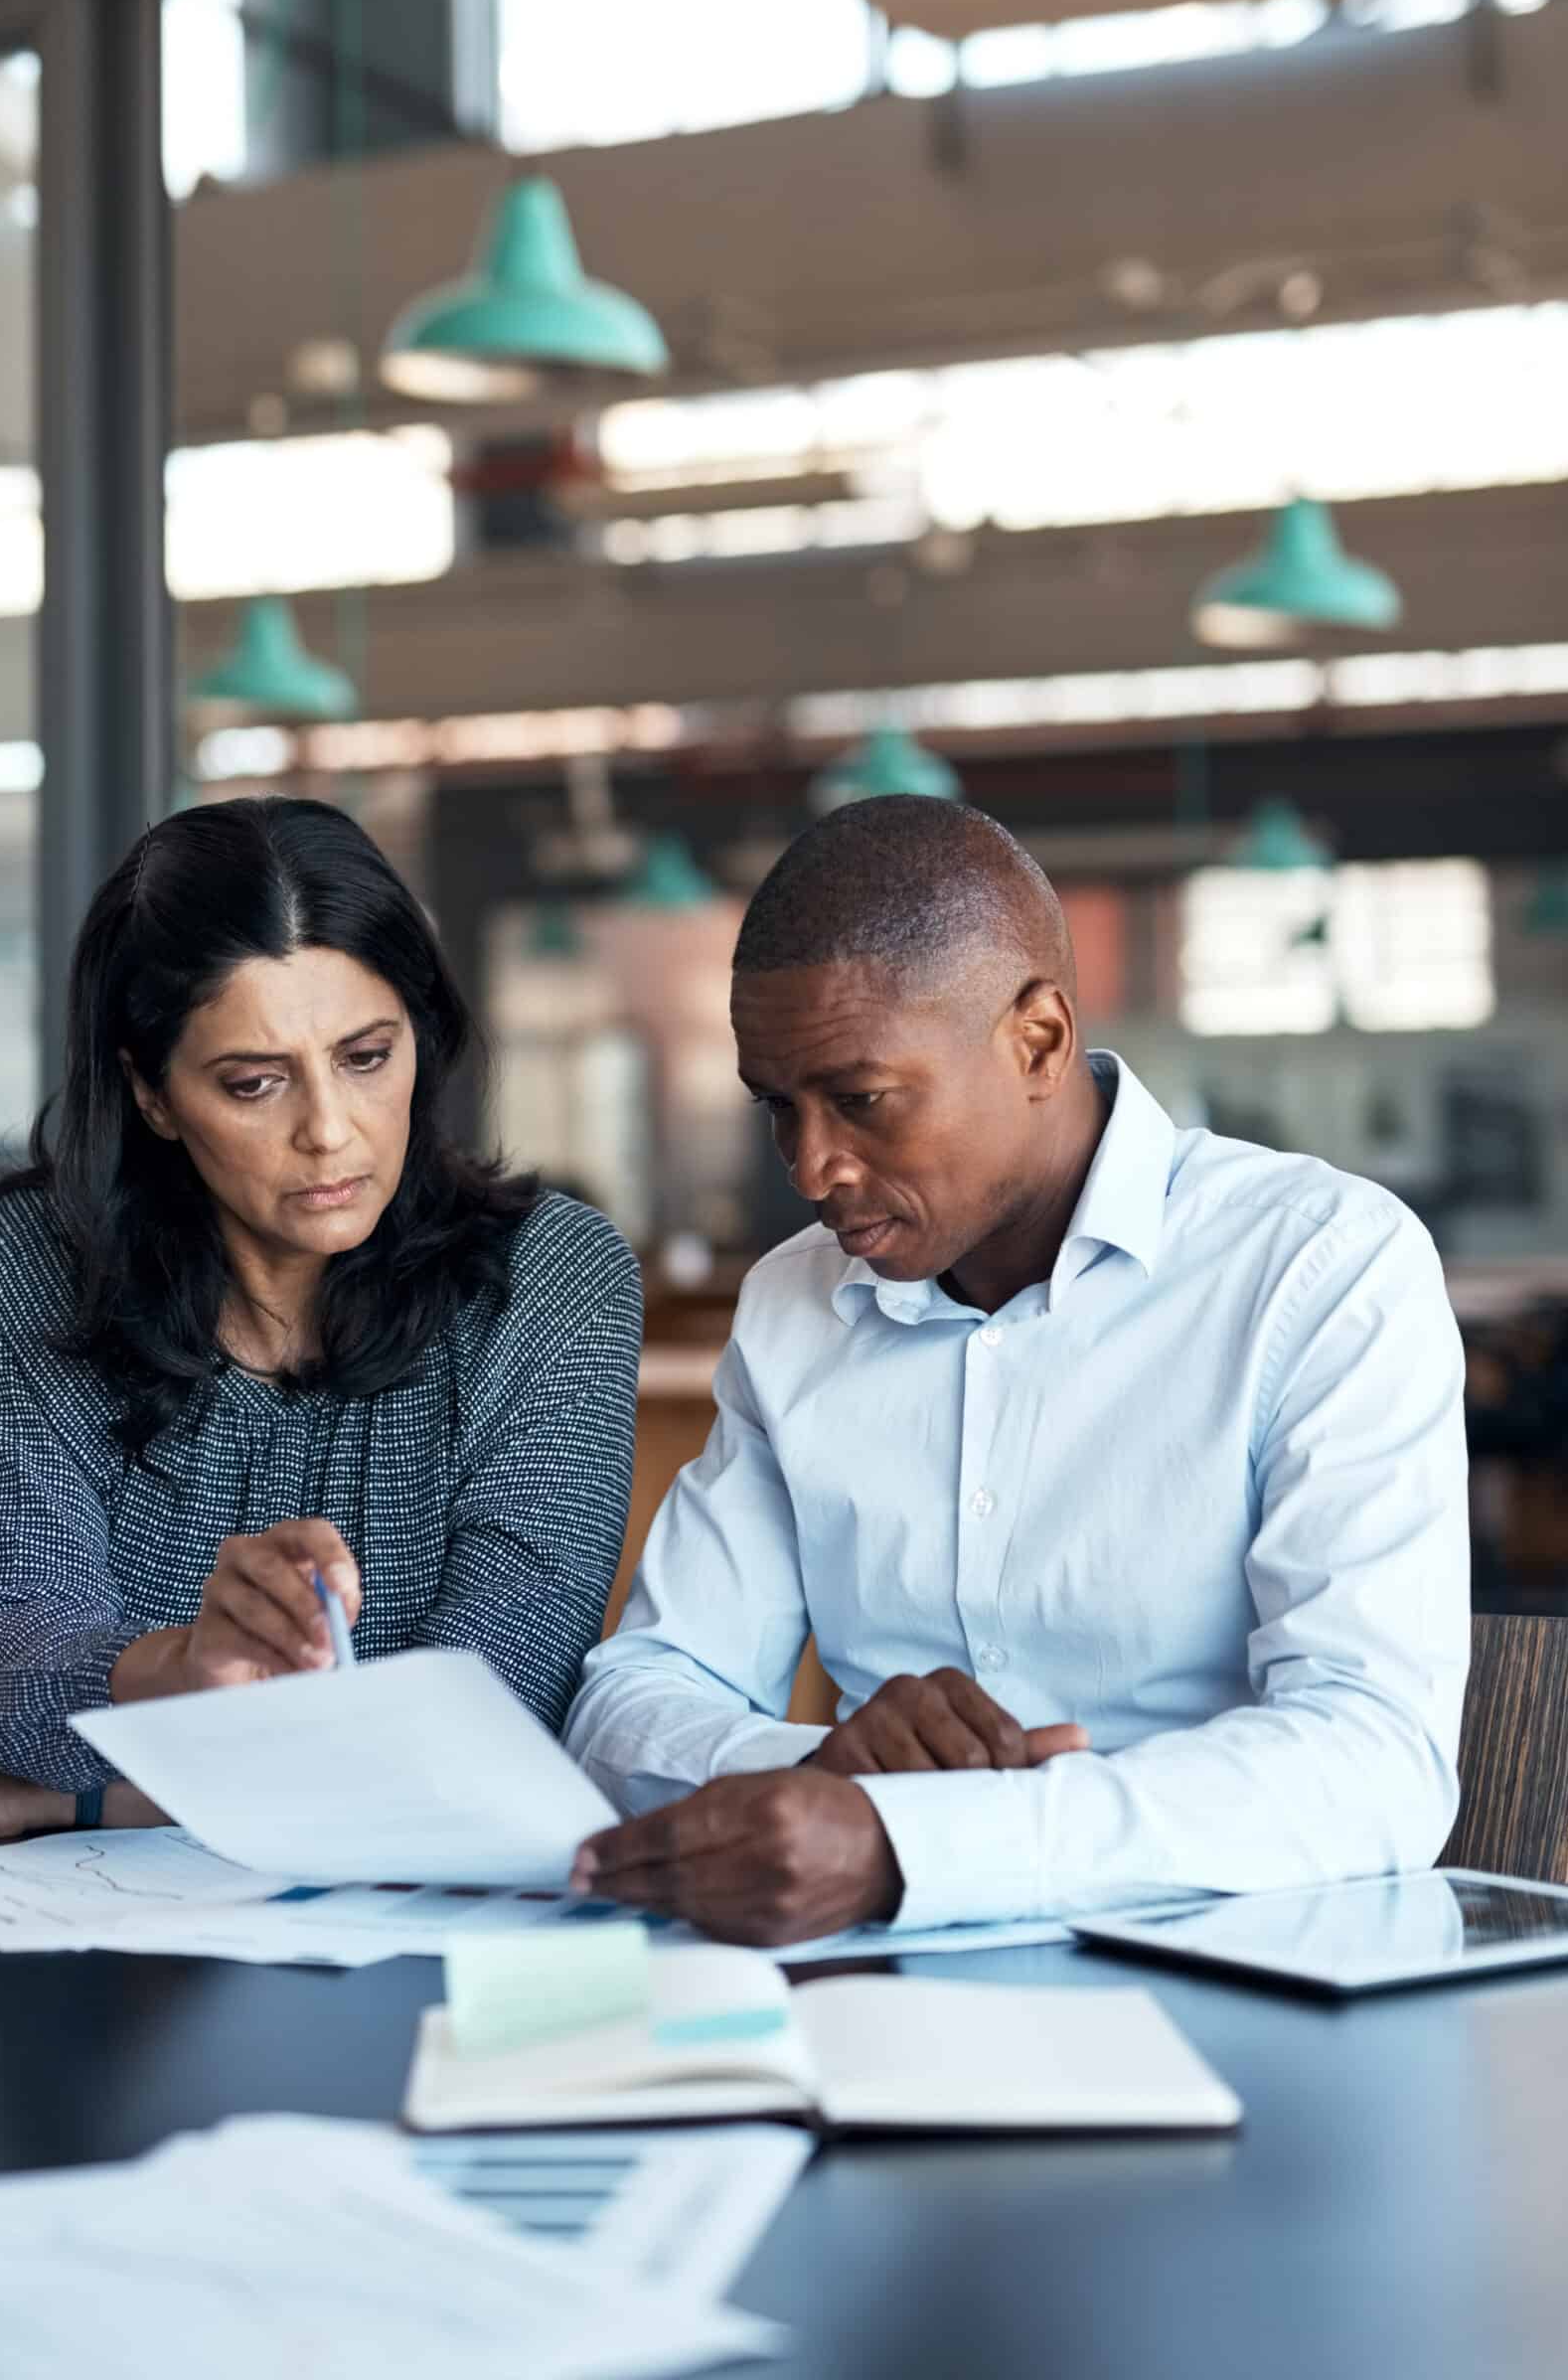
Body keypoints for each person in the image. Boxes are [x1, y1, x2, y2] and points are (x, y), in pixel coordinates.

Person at [562, 795, 1469, 1948]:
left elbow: (1372, 1761)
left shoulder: (1320, 1266)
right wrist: (819, 1770)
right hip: (879, 1995)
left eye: (859, 1100)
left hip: (1239, 1976)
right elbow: (637, 1696)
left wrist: (917, 1845)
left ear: (1035, 1039)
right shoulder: (795, 1306)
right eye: (776, 1108)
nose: (810, 1164)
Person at [0, 797, 641, 1842]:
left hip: (429, 1925)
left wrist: (60, 1797)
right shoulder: (36, 1263)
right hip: (119, 1938)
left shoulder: (550, 1278)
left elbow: (489, 1719)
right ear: (151, 1093)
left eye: (367, 1057)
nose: (330, 1132)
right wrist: (189, 1662)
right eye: (254, 1082)